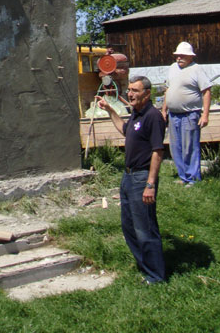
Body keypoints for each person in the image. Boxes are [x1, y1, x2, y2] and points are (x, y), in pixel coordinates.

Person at [97, 76, 166, 285]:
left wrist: (150, 184)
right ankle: (145, 266)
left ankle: (156, 275)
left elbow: (157, 152)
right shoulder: (136, 113)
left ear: (147, 93)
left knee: (145, 228)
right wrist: (110, 110)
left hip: (142, 178)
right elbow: (124, 130)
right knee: (128, 226)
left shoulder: (153, 117)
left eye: (135, 90)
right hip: (128, 177)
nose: (130, 94)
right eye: (129, 90)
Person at [161, 41, 211, 185]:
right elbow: (168, 90)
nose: (179, 58)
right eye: (177, 55)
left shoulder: (196, 69)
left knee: (190, 147)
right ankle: (183, 176)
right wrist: (164, 110)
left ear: (190, 56)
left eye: (182, 55)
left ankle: (193, 178)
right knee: (175, 147)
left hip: (190, 114)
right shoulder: (172, 68)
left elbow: (206, 91)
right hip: (173, 114)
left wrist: (205, 115)